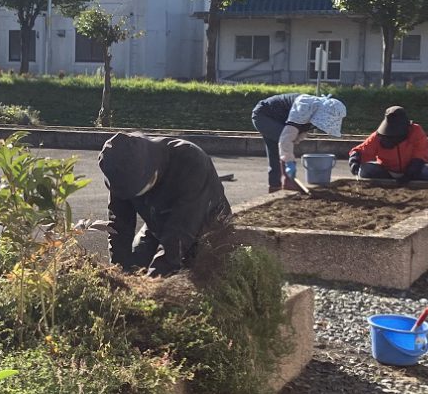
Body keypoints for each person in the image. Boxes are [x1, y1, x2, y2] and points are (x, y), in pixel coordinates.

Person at [98, 132, 231, 277]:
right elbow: (119, 225)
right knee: (135, 263)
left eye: (145, 187)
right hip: (158, 224)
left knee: (192, 269)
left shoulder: (191, 161)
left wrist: (154, 283)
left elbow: (181, 229)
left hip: (206, 226)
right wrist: (119, 273)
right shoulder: (120, 174)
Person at [251, 92, 347, 191]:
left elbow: (301, 130)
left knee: (277, 150)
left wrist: (296, 139)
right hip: (264, 116)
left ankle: (276, 185)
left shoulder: (314, 110)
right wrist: (289, 162)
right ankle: (288, 182)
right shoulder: (304, 106)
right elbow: (286, 138)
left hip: (279, 120)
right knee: (282, 144)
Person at [348, 105, 428, 183]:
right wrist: (355, 160)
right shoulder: (379, 136)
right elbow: (362, 150)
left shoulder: (416, 131)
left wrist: (409, 174)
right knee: (365, 170)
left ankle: (405, 180)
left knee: (427, 174)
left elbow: (420, 155)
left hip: (411, 172)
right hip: (386, 171)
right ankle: (388, 182)